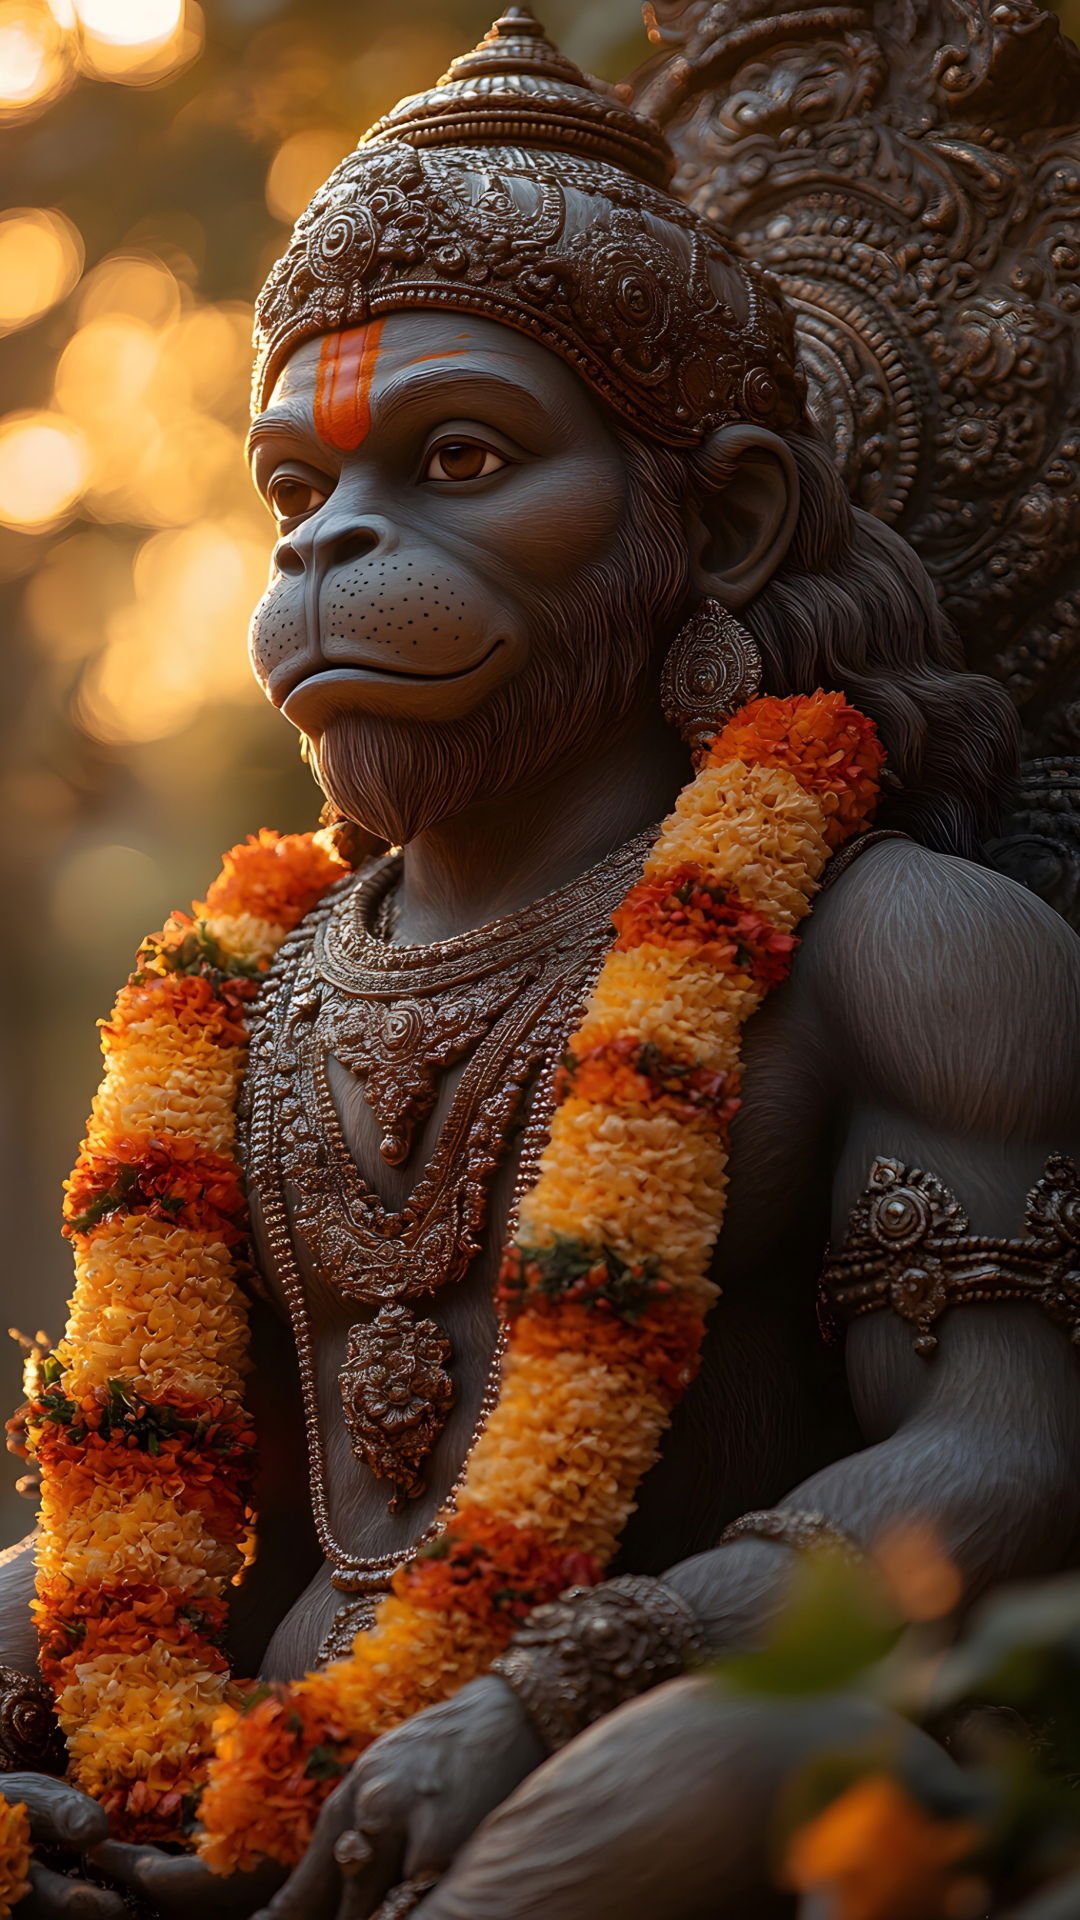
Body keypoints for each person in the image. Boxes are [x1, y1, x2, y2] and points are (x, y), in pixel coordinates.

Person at [2, 11, 1078, 1918]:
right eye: (295, 490)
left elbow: (1005, 1456)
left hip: (642, 1758)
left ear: (725, 519)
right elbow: (164, 1529)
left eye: (458, 455)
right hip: (244, 1794)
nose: (332, 545)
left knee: (716, 1763)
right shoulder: (240, 996)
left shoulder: (896, 946)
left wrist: (545, 1697)